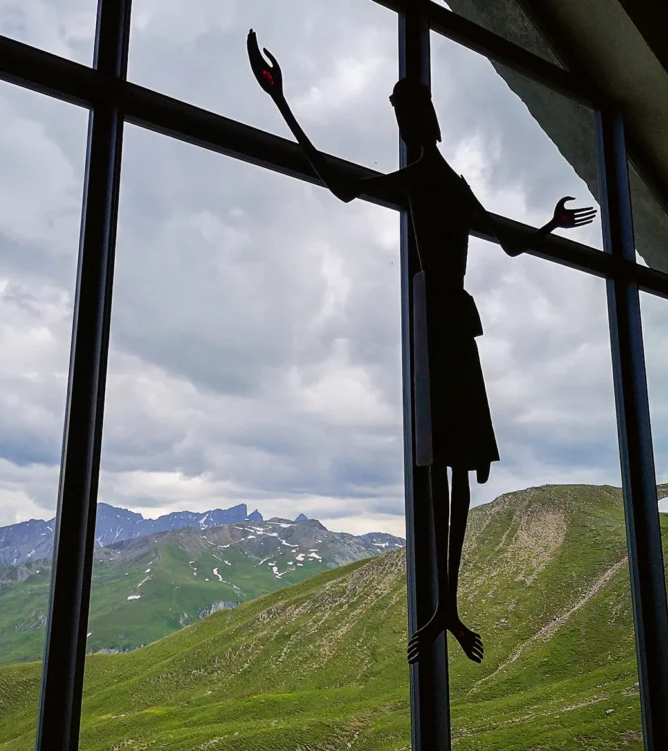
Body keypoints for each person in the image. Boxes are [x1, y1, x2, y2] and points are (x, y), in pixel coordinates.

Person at [246, 30, 596, 664]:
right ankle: (449, 605)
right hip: (458, 322)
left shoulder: (418, 180)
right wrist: (548, 221)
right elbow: (510, 244)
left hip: (437, 324)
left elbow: (337, 184)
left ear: (414, 123)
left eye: (403, 117)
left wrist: (280, 102)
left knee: (443, 465)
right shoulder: (453, 181)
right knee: (456, 468)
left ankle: (446, 605)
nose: (406, 126)